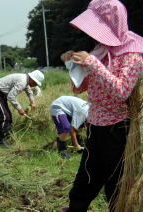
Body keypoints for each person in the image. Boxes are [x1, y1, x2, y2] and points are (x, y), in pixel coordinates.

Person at [60, 0, 143, 211]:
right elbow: (80, 88)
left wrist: (92, 64)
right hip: (95, 124)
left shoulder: (132, 53)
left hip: (117, 129)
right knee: (86, 176)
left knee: (116, 183)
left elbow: (121, 91)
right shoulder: (100, 49)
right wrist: (72, 64)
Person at [0, 70, 44, 147]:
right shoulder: (22, 81)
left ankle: (7, 138)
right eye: (36, 83)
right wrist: (19, 109)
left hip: (1, 94)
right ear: (33, 79)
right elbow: (11, 96)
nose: (35, 85)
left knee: (9, 117)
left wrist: (32, 102)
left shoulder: (25, 80)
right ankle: (0, 141)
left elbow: (29, 91)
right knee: (4, 117)